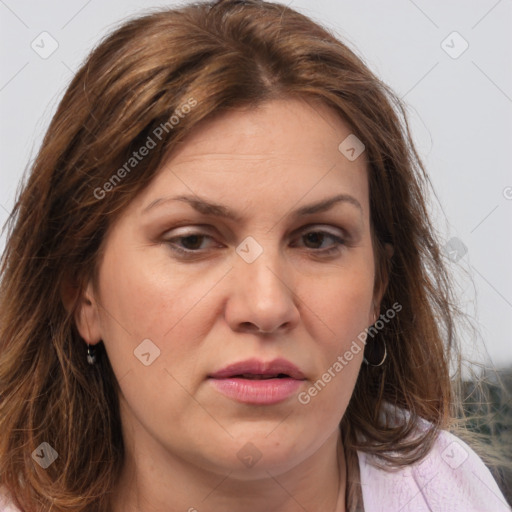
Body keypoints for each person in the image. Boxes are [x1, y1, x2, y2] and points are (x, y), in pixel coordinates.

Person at [0, 1, 510, 511]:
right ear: (81, 292)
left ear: (379, 287)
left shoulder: (463, 491)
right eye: (193, 241)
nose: (266, 307)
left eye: (317, 240)